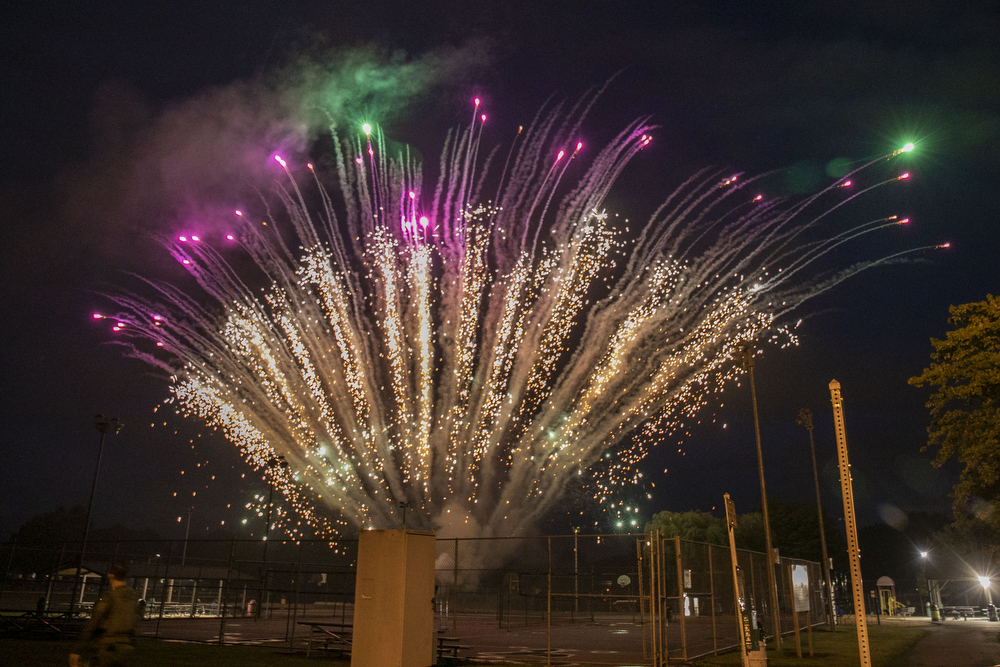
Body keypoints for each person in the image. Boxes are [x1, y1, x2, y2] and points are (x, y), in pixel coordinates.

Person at [69, 563, 138, 667]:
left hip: (107, 648)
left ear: (110, 576)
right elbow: (135, 623)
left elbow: (94, 622)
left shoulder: (110, 596)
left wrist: (77, 650)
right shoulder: (134, 597)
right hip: (127, 649)